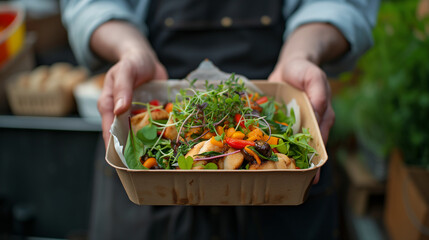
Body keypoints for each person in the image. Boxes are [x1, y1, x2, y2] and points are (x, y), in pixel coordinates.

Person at [60, 0, 380, 239]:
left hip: (278, 199)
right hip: (149, 193)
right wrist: (130, 51)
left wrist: (302, 55)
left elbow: (342, 5)